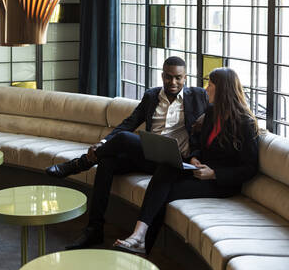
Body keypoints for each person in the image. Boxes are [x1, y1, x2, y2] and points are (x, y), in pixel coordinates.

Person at [46, 56, 208, 249]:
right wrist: (103, 142)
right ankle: (94, 230)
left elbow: (223, 107)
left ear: (185, 78)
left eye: (178, 78)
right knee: (107, 161)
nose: (173, 82)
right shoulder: (151, 96)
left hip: (174, 162)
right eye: (168, 77)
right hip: (148, 156)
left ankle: (79, 164)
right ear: (162, 75)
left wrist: (206, 116)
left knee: (123, 139)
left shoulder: (198, 96)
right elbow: (129, 123)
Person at [114, 67, 259, 255]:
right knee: (166, 167)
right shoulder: (212, 112)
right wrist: (195, 157)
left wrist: (214, 173)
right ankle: (138, 235)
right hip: (199, 170)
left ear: (222, 89)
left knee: (165, 191)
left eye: (210, 85)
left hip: (221, 183)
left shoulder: (245, 123)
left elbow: (249, 168)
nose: (206, 89)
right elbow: (200, 145)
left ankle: (142, 242)